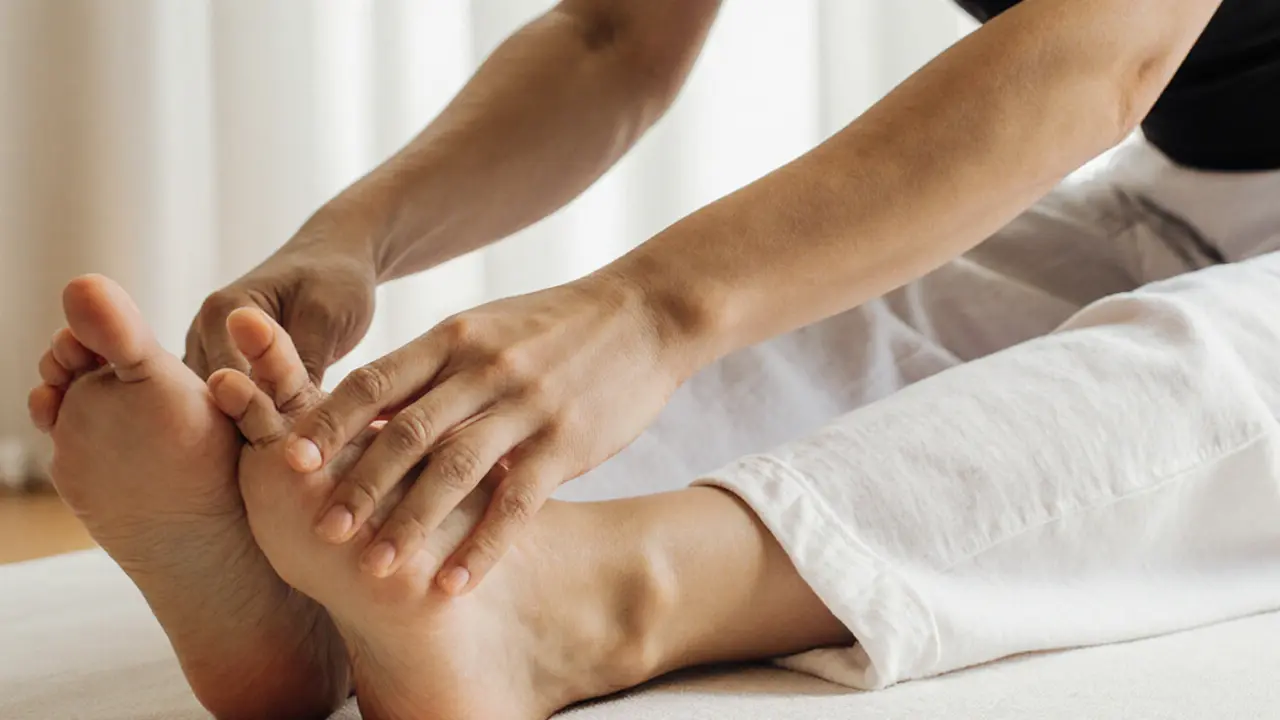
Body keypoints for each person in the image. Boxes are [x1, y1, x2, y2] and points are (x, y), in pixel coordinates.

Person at [26, 0, 1280, 718]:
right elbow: (609, 37)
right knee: (859, 317)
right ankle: (358, 576)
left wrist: (643, 314)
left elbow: (1100, 53)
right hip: (1197, 182)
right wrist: (355, 235)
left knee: (1177, 379)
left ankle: (594, 600)